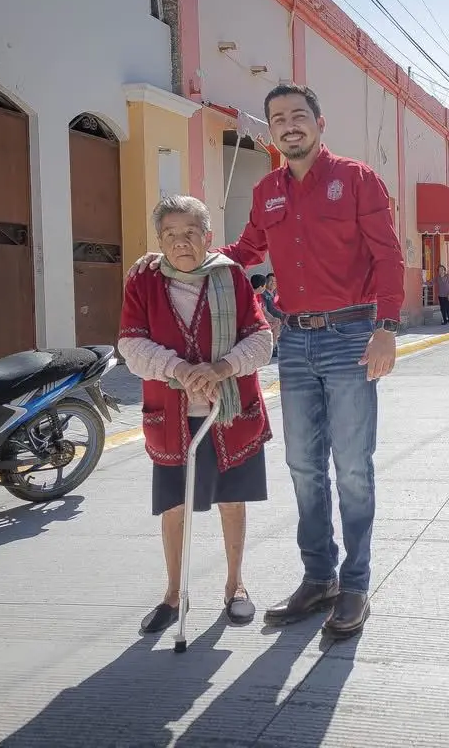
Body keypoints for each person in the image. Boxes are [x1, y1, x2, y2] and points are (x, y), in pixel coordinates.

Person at [129, 84, 403, 639]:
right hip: (296, 345)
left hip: (351, 336)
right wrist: (179, 255)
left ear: (319, 123)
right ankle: (319, 577)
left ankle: (354, 585)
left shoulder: (355, 180)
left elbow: (388, 254)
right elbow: (244, 250)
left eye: (299, 115)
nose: (289, 125)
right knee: (304, 468)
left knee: (352, 469)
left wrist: (387, 328)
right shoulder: (267, 190)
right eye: (278, 119)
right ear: (271, 132)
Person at [119, 195, 273, 635]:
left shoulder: (232, 278)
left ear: (207, 237)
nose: (181, 243)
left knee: (232, 502)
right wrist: (182, 371)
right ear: (159, 241)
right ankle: (173, 594)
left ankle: (235, 586)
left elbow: (260, 340)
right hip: (171, 417)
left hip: (230, 415)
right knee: (174, 507)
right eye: (170, 235)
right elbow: (132, 346)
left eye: (190, 233)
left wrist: (221, 368)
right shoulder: (143, 282)